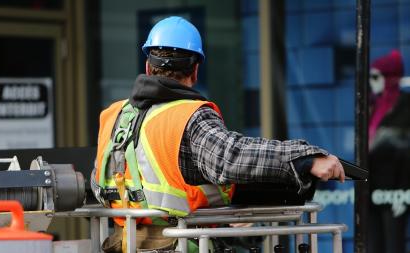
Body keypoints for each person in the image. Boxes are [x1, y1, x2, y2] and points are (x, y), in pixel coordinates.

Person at [91, 16, 345, 253]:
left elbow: (99, 183)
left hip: (126, 244)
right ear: (195, 71)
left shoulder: (113, 116)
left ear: (148, 67)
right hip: (180, 244)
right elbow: (230, 156)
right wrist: (306, 158)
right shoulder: (188, 116)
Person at [368, 50, 409, 253]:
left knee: (394, 243)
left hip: (396, 187)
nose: (372, 82)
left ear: (389, 77)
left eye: (376, 76)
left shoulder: (406, 105)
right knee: (373, 243)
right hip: (371, 186)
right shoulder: (370, 105)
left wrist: (404, 191)